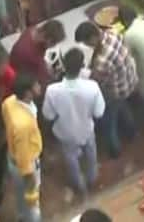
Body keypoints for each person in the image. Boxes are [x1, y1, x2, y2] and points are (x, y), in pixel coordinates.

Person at [42, 47, 105, 201]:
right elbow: (99, 113)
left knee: (71, 159)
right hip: (86, 129)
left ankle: (79, 185)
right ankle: (92, 178)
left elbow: (47, 115)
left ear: (63, 65)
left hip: (66, 133)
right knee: (91, 154)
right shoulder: (92, 87)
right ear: (82, 66)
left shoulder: (52, 91)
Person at [75, 20, 138, 158]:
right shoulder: (112, 33)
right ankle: (132, 133)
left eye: (87, 43)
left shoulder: (102, 60)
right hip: (129, 79)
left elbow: (96, 80)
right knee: (123, 108)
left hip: (116, 90)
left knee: (108, 122)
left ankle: (114, 150)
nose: (87, 46)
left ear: (93, 38)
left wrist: (83, 73)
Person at [3, 73, 43, 222]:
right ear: (27, 93)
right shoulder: (23, 125)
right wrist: (30, 179)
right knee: (32, 203)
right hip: (27, 163)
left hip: (12, 156)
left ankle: (22, 216)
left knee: (20, 195)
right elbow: (25, 160)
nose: (39, 86)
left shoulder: (9, 102)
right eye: (36, 86)